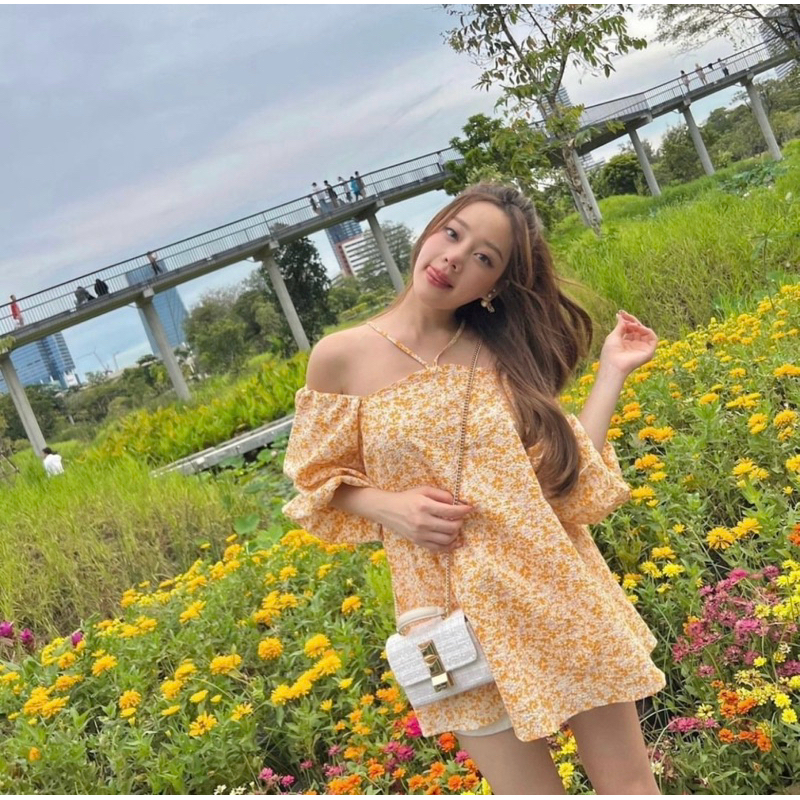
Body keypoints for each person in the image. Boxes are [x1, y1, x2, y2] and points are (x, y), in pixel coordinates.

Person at [281, 183, 664, 794]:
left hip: (556, 590)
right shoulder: (341, 357)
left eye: (485, 257)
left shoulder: (501, 352)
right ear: (431, 229)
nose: (455, 258)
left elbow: (563, 481)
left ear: (496, 284)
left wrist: (612, 371)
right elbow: (314, 482)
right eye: (453, 234)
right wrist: (388, 506)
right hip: (446, 615)